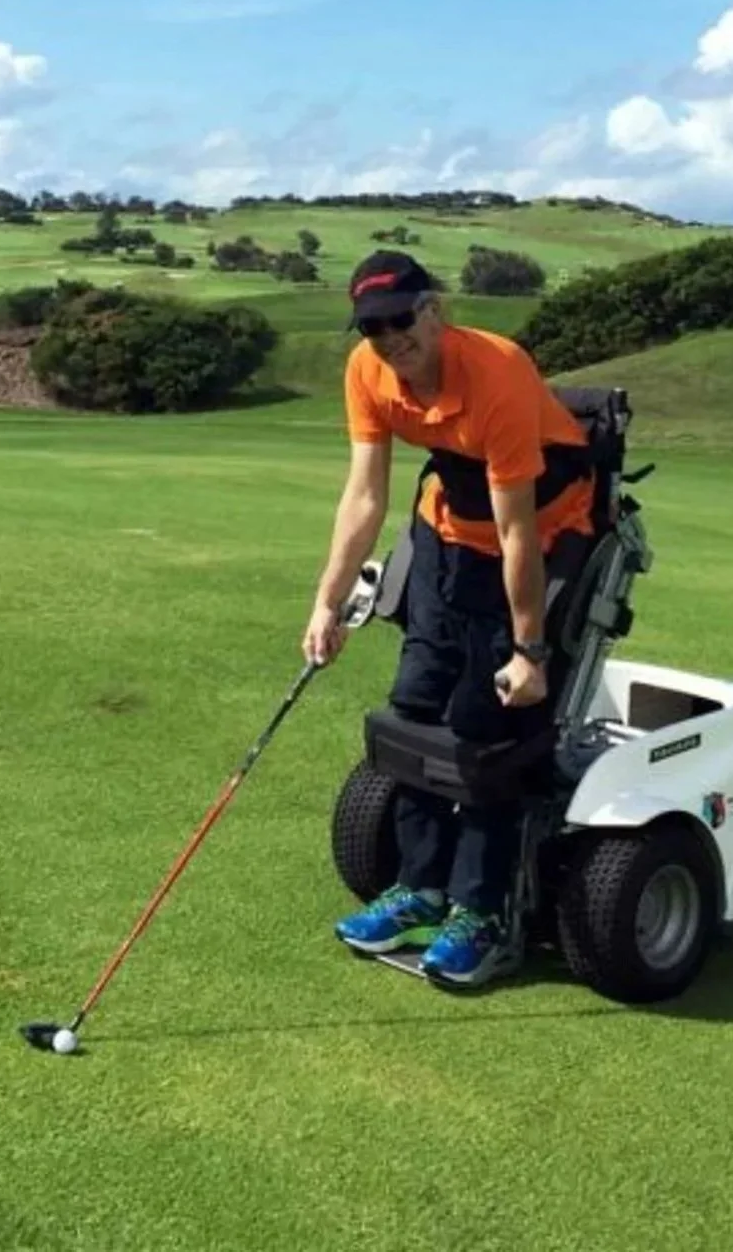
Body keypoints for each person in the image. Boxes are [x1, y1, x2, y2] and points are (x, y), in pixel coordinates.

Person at [303, 249, 597, 988]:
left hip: (539, 531)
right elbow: (365, 496)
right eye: (372, 327)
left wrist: (530, 651)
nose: (388, 338)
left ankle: (482, 912)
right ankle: (420, 891)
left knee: (486, 727)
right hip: (444, 529)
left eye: (400, 319)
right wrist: (328, 602)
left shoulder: (497, 373)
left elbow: (516, 531)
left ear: (432, 311)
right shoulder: (367, 371)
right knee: (415, 706)